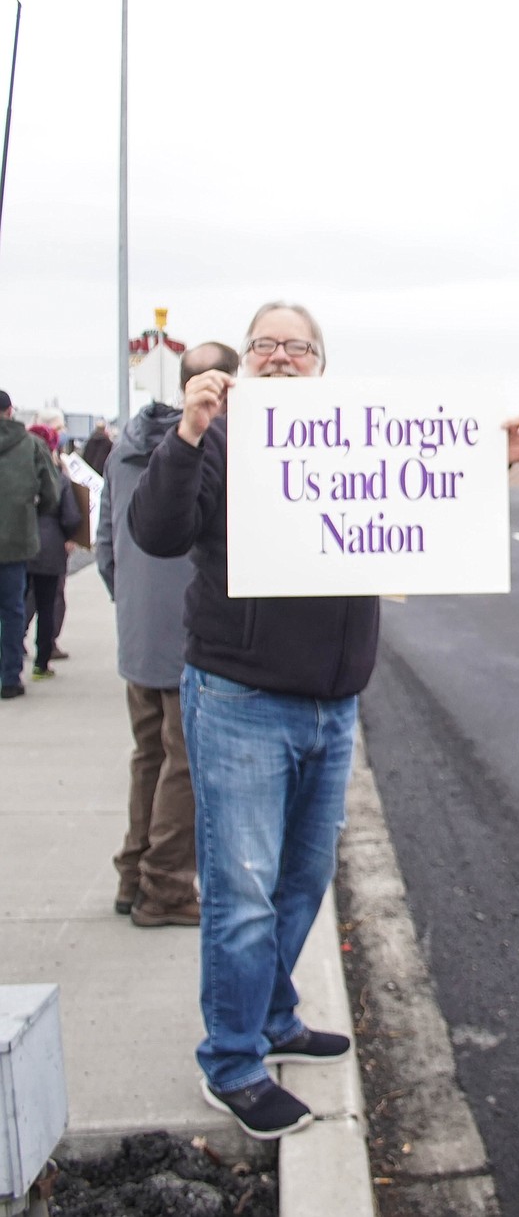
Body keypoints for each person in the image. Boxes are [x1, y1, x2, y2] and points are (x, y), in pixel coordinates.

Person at [129, 301, 519, 1142]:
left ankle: (274, 1015)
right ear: (245, 361)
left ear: (321, 363)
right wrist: (190, 435)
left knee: (299, 883)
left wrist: (482, 465)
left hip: (333, 701)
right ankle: (233, 1061)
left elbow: (420, 511)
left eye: (298, 346)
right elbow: (157, 533)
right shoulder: (219, 437)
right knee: (241, 895)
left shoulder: (350, 439)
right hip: (239, 697)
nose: (280, 357)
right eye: (264, 345)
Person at [96, 341, 240, 926]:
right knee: (185, 766)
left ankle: (131, 874)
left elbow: (106, 543)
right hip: (186, 633)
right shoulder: (204, 448)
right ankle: (165, 889)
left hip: (137, 632)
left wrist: (130, 602)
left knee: (148, 756)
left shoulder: (124, 449)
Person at [0, 391, 61, 700]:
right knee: (12, 610)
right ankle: (9, 677)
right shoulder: (30, 445)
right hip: (16, 541)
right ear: (11, 411)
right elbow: (52, 494)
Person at [24, 423, 82, 679]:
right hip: (49, 548)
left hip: (19, 547)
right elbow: (70, 516)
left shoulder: (15, 472)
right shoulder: (58, 477)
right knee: (47, 605)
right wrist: (70, 535)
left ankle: (11, 658)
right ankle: (42, 662)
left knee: (16, 602)